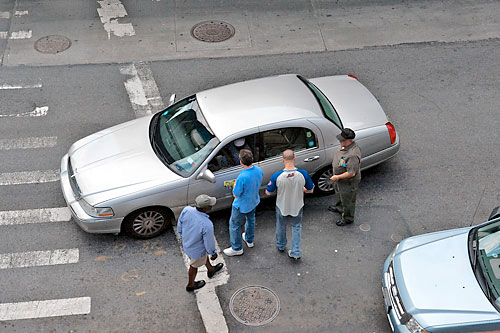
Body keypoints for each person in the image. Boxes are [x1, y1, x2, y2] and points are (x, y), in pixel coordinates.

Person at [265, 150, 314, 259]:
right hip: (297, 205)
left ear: (283, 159)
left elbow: (268, 192)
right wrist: (303, 189)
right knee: (296, 226)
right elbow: (310, 190)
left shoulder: (277, 176)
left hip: (282, 205)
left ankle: (281, 245)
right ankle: (296, 252)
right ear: (294, 158)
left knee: (281, 225)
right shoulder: (303, 174)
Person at [177, 194, 224, 291]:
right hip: (196, 250)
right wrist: (212, 252)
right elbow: (209, 242)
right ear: (206, 207)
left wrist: (181, 232)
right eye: (210, 205)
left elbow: (180, 223)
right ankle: (190, 285)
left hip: (187, 243)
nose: (212, 206)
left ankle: (210, 269)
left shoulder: (187, 210)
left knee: (202, 258)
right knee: (194, 266)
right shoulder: (206, 224)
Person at [223, 149, 264, 256]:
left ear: (241, 162)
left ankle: (237, 248)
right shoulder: (258, 170)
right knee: (250, 220)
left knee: (235, 225)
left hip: (241, 206)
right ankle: (249, 240)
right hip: (253, 201)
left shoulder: (242, 176)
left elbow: (236, 194)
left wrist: (235, 185)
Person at [328, 128, 362, 226]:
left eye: (343, 140)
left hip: (348, 182)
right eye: (340, 139)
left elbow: (351, 173)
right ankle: (339, 208)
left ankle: (347, 218)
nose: (340, 141)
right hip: (339, 178)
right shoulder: (344, 145)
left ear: (350, 141)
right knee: (339, 194)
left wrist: (337, 177)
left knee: (348, 200)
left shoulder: (352, 155)